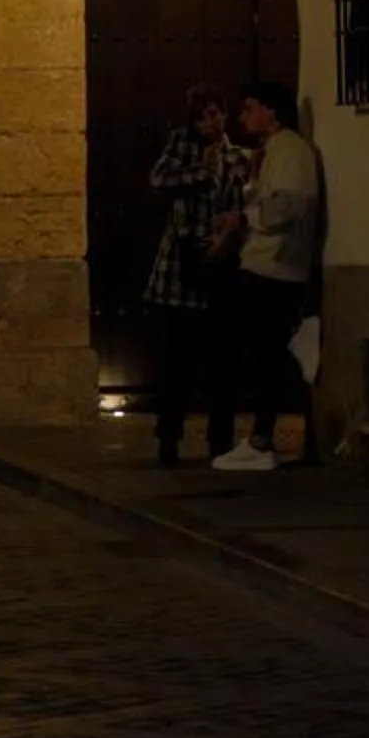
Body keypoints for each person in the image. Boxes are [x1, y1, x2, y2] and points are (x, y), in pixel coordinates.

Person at [207, 80, 319, 473]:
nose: (243, 116)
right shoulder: (273, 151)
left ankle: (261, 440)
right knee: (258, 354)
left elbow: (286, 208)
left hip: (274, 267)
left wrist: (244, 218)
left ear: (271, 110)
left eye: (250, 107)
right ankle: (256, 437)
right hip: (262, 264)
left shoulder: (290, 150)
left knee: (261, 354)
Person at [143, 85, 250, 466]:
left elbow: (242, 201)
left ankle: (220, 439)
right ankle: (168, 439)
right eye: (202, 117)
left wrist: (226, 238)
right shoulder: (181, 149)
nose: (211, 123)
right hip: (181, 269)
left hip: (220, 265)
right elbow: (159, 181)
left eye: (215, 114)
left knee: (222, 361)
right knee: (177, 362)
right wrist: (200, 172)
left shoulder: (237, 157)